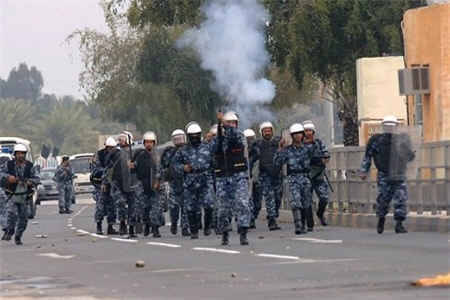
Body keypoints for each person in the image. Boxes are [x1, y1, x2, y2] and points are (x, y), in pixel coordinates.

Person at [360, 115, 415, 234]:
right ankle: (381, 219)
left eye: (392, 126)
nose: (390, 129)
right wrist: (364, 170)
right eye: (387, 126)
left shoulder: (402, 140)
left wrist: (410, 154)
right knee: (383, 198)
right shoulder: (376, 140)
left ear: (396, 127)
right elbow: (368, 156)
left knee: (401, 198)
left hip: (399, 173)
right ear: (383, 127)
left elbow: (409, 156)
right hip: (384, 174)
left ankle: (399, 224)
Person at [214, 111, 252, 246]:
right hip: (223, 177)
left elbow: (233, 137)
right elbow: (214, 148)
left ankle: (243, 233)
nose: (230, 125)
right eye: (228, 123)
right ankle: (224, 233)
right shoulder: (218, 138)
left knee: (242, 203)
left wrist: (224, 124)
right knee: (223, 207)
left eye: (232, 123)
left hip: (238, 175)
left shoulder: (239, 135)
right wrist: (218, 130)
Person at [173, 122, 216, 239]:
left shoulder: (207, 146)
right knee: (191, 207)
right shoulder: (183, 150)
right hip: (190, 180)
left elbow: (215, 160)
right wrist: (183, 168)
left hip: (205, 179)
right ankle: (194, 231)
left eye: (197, 135)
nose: (195, 137)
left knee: (209, 204)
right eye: (192, 135)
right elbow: (175, 164)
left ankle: (207, 226)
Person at [274, 123, 313, 235]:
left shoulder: (308, 148)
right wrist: (280, 149)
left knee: (306, 203)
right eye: (295, 134)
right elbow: (277, 162)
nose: (297, 136)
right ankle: (298, 225)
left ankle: (304, 224)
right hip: (293, 178)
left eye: (299, 134)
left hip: (305, 177)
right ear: (292, 136)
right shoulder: (287, 150)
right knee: (296, 202)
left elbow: (317, 159)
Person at [0, 144, 40, 245]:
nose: (21, 155)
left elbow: (37, 178)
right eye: (19, 153)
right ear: (15, 154)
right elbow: (1, 174)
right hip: (11, 194)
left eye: (23, 153)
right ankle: (10, 230)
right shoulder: (8, 164)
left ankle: (18, 236)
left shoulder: (30, 166)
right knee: (11, 214)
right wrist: (8, 177)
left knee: (24, 218)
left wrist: (30, 181)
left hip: (24, 196)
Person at [249, 122, 283, 231]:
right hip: (265, 175)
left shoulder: (278, 142)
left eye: (269, 130)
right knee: (269, 197)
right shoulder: (257, 144)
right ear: (261, 132)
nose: (267, 132)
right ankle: (272, 221)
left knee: (278, 197)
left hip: (277, 174)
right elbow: (251, 158)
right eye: (265, 131)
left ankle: (274, 214)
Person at [160, 129, 190, 236]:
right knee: (174, 207)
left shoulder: (188, 150)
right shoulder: (169, 152)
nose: (179, 141)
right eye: (176, 139)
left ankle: (185, 227)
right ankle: (174, 223)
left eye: (180, 138)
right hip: (174, 182)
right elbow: (163, 166)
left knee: (186, 206)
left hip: (186, 181)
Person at [132, 131, 162, 237]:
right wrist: (131, 166)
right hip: (143, 186)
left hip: (155, 185)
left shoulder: (157, 156)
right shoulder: (140, 155)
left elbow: (161, 170)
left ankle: (155, 229)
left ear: (154, 143)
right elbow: (134, 168)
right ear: (144, 143)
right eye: (147, 142)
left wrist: (158, 182)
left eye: (151, 142)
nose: (149, 144)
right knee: (144, 208)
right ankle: (147, 225)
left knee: (155, 208)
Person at [303, 120, 330, 230]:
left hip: (318, 175)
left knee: (324, 198)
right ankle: (308, 222)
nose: (308, 133)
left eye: (310, 131)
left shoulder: (318, 143)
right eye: (306, 131)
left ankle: (320, 213)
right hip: (306, 176)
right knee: (307, 201)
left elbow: (326, 155)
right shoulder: (300, 146)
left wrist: (323, 160)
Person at [91, 137, 118, 235]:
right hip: (100, 185)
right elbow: (96, 170)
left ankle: (110, 226)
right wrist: (105, 176)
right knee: (100, 206)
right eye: (109, 147)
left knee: (112, 206)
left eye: (112, 148)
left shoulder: (117, 155)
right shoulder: (99, 155)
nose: (110, 150)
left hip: (113, 184)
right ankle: (99, 226)